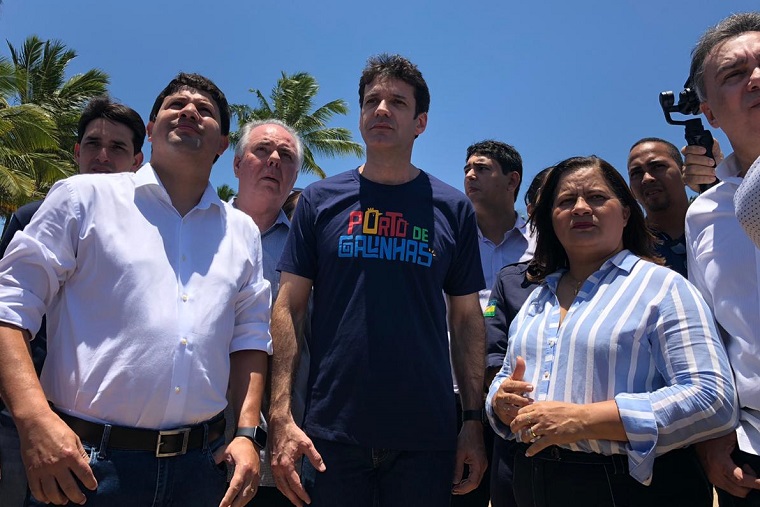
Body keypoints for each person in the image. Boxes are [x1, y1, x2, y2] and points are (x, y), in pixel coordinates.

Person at [0, 73, 271, 507]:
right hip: (84, 465)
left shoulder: (242, 232)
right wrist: (33, 420)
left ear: (222, 144)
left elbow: (251, 338)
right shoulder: (81, 197)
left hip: (202, 471)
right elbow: (8, 307)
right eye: (175, 104)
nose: (189, 111)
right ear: (151, 128)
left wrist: (246, 434)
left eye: (204, 110)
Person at [269, 53, 487, 507]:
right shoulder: (319, 201)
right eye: (372, 101)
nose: (382, 110)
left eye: (397, 102)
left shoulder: (453, 209)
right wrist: (280, 412)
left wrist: (471, 420)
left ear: (420, 122)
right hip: (331, 434)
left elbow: (467, 319)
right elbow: (289, 306)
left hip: (425, 436)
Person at [486, 155, 737, 507]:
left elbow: (713, 398)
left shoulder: (663, 287)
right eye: (565, 201)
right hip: (533, 476)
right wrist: (499, 401)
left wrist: (585, 420)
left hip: (628, 485)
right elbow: (505, 377)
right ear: (550, 220)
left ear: (626, 214)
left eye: (597, 197)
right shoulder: (537, 300)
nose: (580, 208)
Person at [0, 95, 146, 507]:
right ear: (77, 152)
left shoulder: (155, 232)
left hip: (106, 428)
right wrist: (28, 413)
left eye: (117, 147)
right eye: (93, 144)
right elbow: (8, 307)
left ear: (137, 161)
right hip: (23, 409)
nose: (103, 156)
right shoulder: (31, 216)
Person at [683, 12, 760, 505]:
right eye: (735, 73)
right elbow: (707, 336)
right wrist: (712, 435)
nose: (756, 77)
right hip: (751, 453)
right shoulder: (704, 213)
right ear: (710, 113)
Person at [231, 118, 308, 506]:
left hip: (280, 433)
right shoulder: (198, 232)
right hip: (199, 432)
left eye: (286, 156)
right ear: (236, 164)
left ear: (295, 176)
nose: (274, 160)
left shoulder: (307, 253)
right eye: (262, 150)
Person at [455, 140, 534, 507]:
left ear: (512, 180)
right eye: (467, 169)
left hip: (521, 397)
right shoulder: (451, 239)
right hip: (457, 393)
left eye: (482, 168)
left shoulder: (542, 242)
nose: (470, 175)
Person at [484, 168, 549, 507]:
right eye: (554, 200)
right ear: (533, 212)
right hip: (517, 437)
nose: (573, 209)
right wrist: (505, 399)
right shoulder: (511, 280)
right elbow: (492, 352)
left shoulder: (627, 278)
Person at [626, 138, 690, 277]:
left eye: (657, 166)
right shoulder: (627, 250)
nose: (647, 178)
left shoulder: (720, 223)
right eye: (636, 173)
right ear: (631, 190)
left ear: (684, 173)